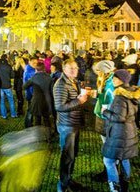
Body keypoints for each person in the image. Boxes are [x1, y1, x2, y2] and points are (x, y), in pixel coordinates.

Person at [102, 69, 140, 192]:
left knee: (108, 160)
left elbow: (119, 117)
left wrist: (105, 112)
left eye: (115, 78)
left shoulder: (120, 96)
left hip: (119, 132)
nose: (113, 80)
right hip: (129, 131)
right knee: (125, 158)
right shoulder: (131, 92)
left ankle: (114, 187)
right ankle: (125, 183)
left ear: (122, 80)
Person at [53, 58, 88, 192]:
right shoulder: (61, 84)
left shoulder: (73, 81)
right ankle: (62, 185)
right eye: (71, 68)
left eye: (76, 68)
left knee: (72, 154)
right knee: (67, 155)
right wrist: (79, 101)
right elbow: (60, 106)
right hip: (66, 125)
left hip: (74, 123)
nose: (74, 70)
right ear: (64, 69)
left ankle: (68, 179)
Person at [22, 61, 53, 127]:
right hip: (47, 100)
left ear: (36, 69)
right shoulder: (49, 77)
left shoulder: (33, 78)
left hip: (37, 101)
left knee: (37, 119)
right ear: (44, 69)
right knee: (46, 119)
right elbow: (52, 90)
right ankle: (48, 133)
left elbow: (24, 86)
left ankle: (38, 134)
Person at [0, 54, 17, 119]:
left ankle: (4, 115)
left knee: (2, 101)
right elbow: (13, 75)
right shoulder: (8, 66)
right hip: (7, 85)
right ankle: (13, 114)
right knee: (11, 100)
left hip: (0, 86)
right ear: (6, 58)